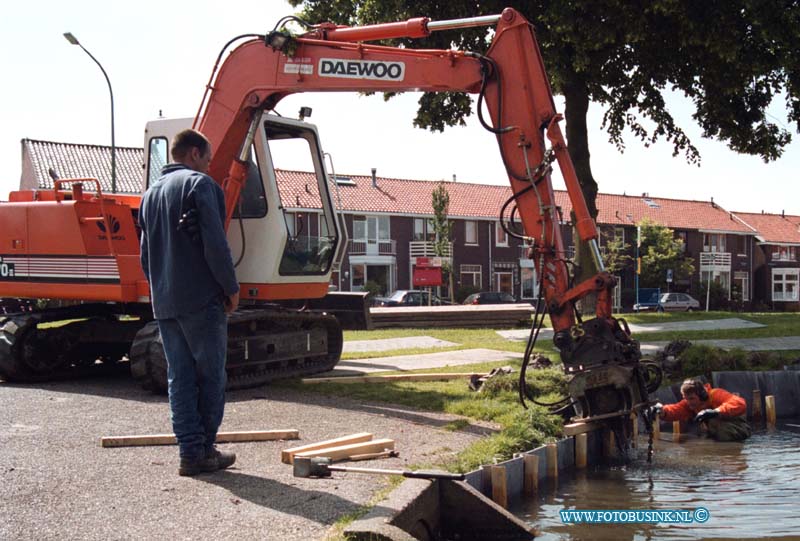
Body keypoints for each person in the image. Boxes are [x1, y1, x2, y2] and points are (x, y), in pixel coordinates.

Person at [139, 129, 240, 476]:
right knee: (210, 375)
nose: (209, 166)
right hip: (200, 298)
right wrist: (230, 287)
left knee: (178, 377)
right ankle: (204, 451)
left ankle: (189, 451)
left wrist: (160, 289)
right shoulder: (201, 186)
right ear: (195, 154)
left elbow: (144, 255)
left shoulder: (149, 195)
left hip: (165, 300)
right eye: (208, 159)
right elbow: (215, 243)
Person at [652, 378, 751, 441]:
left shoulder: (716, 394)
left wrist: (715, 412)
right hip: (718, 435)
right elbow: (675, 410)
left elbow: (740, 403)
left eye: (691, 398)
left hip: (738, 430)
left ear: (702, 395)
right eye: (685, 398)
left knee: (713, 422)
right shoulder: (689, 404)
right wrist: (662, 411)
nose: (688, 402)